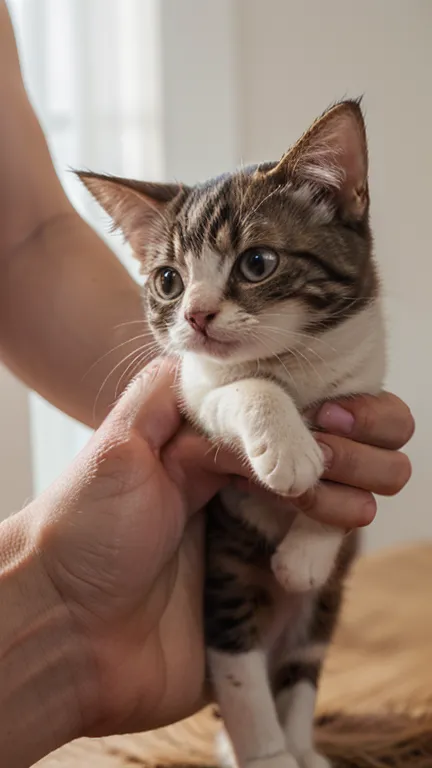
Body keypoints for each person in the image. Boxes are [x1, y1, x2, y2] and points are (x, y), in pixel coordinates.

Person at [0, 3, 414, 767]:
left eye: (255, 263)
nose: (195, 310)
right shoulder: (210, 358)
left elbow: (27, 240)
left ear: (336, 199)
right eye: (167, 280)